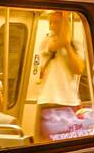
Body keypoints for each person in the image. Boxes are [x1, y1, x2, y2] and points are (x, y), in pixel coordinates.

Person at [34, 11, 87, 140]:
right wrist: (64, 15)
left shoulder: (75, 45)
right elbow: (63, 39)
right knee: (45, 145)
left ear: (65, 24)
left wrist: (68, 48)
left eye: (56, 22)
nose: (52, 26)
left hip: (70, 101)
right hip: (49, 101)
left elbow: (79, 69)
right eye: (50, 23)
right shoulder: (46, 42)